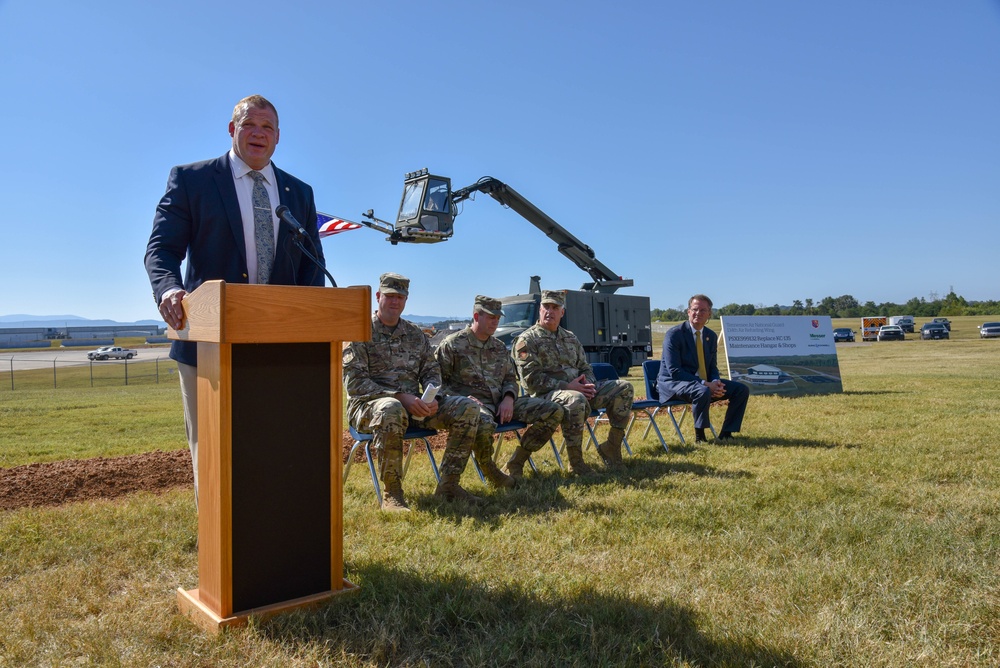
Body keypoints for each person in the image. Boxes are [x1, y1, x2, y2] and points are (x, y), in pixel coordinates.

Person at [144, 95, 326, 504]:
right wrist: (170, 288)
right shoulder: (193, 180)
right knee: (212, 451)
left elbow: (313, 264)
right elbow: (161, 250)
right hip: (209, 343)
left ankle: (272, 538)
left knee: (274, 448)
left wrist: (312, 319)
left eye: (268, 127)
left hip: (281, 348)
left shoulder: (299, 192)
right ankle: (217, 551)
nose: (258, 133)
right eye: (249, 125)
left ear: (278, 137)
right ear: (232, 129)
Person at [343, 273, 483, 511]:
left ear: (406, 300)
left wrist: (432, 398)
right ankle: (392, 493)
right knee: (390, 408)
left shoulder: (415, 334)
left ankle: (449, 484)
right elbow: (355, 383)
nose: (395, 301)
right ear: (378, 297)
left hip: (413, 406)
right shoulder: (359, 331)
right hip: (369, 406)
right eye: (390, 296)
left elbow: (431, 370)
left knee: (466, 408)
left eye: (400, 297)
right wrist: (399, 397)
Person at [435, 295, 564, 484]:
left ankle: (517, 461)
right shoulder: (452, 345)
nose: (495, 322)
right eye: (490, 317)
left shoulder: (499, 347)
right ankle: (489, 469)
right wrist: (464, 398)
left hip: (501, 403)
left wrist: (509, 398)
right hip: (471, 406)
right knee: (484, 422)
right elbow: (437, 382)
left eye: (497, 318)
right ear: (476, 316)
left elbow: (510, 378)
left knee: (553, 410)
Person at [513, 290, 634, 473]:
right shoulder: (527, 340)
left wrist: (588, 384)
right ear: (540, 309)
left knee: (624, 388)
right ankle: (576, 464)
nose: (550, 311)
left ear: (562, 312)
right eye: (546, 306)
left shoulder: (570, 337)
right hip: (546, 396)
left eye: (555, 307)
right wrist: (567, 386)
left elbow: (585, 367)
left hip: (578, 391)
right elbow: (531, 380)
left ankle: (611, 447)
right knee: (575, 399)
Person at [657, 294, 749, 442]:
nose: (698, 313)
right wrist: (706, 384)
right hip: (673, 384)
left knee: (741, 389)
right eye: (694, 309)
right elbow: (674, 371)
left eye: (703, 310)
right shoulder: (674, 335)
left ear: (709, 314)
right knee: (702, 391)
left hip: (702, 383)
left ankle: (727, 433)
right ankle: (700, 437)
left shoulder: (710, 336)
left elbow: (712, 366)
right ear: (688, 312)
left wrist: (716, 382)